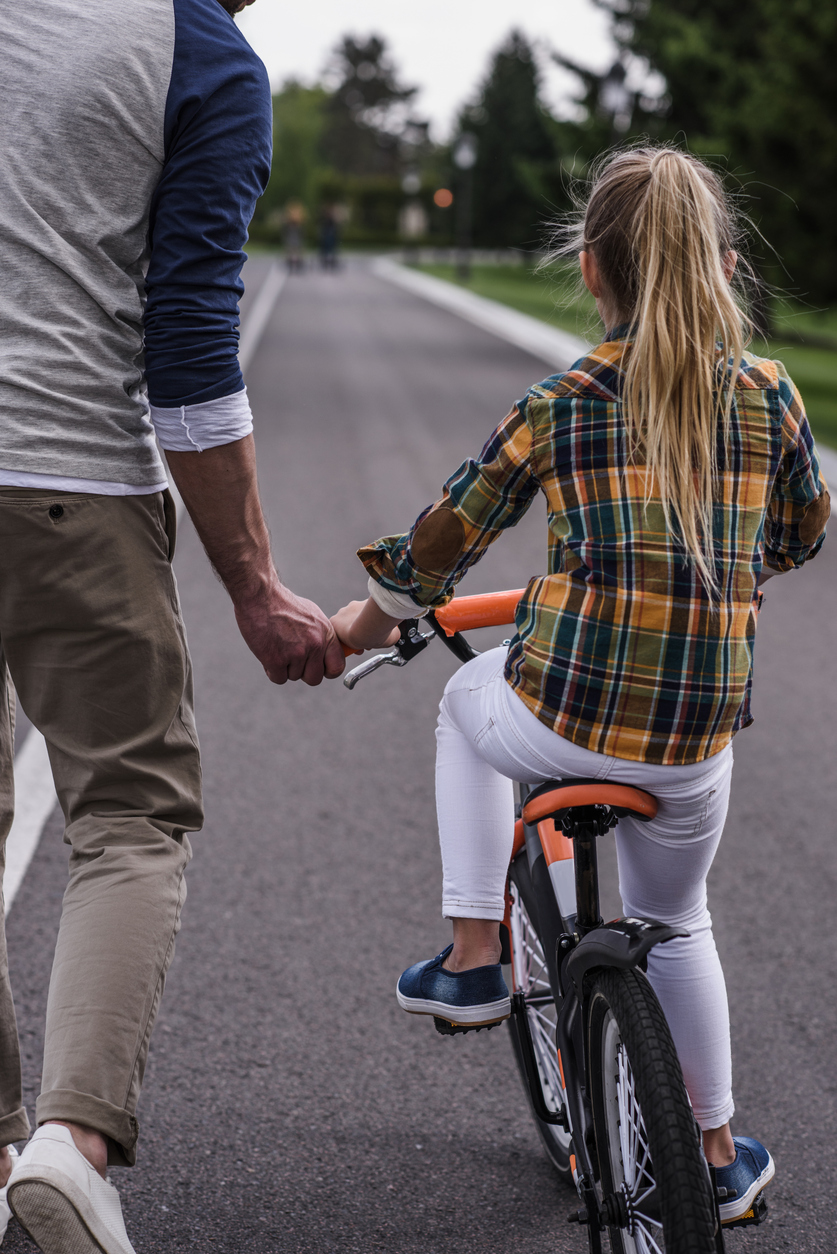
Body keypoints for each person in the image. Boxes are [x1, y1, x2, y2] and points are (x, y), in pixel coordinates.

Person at [332, 147, 829, 1222]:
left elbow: (442, 542)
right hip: (699, 742)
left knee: (466, 711)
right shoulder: (769, 393)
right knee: (680, 919)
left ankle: (473, 954)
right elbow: (800, 533)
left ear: (593, 272)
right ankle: (716, 1150)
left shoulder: (564, 401)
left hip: (567, 717)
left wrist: (360, 620)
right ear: (725, 268)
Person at [0, 0, 344, 1250]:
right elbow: (191, 351)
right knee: (130, 814)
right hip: (64, 478)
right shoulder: (200, 57)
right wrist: (255, 588)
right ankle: (72, 1147)